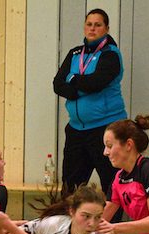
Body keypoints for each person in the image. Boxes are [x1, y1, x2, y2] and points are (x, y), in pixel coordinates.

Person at [53, 8, 126, 197]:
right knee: (70, 188)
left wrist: (72, 79)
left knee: (112, 186)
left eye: (98, 25)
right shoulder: (75, 53)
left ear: (106, 29)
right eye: (89, 24)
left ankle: (112, 218)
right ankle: (71, 217)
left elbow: (95, 83)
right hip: (76, 129)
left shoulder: (111, 54)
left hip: (105, 129)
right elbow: (58, 84)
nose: (92, 28)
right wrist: (75, 88)